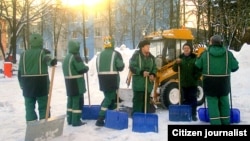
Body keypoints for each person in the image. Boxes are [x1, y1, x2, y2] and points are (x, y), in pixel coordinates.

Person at [195, 35, 239, 125]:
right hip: (224, 83)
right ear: (220, 43)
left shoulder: (205, 54)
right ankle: (226, 122)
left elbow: (197, 66)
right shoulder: (228, 54)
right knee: (224, 101)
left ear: (211, 42)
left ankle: (216, 123)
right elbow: (235, 67)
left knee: (212, 103)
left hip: (209, 82)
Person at [18, 33, 57, 123]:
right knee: (43, 105)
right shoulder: (42, 53)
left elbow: (20, 72)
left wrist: (21, 85)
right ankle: (44, 124)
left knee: (29, 106)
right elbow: (48, 59)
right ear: (41, 42)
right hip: (40, 83)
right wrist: (52, 61)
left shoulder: (23, 54)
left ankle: (31, 126)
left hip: (27, 84)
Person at [95, 36, 125, 126]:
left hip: (102, 79)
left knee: (109, 97)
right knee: (109, 98)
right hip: (111, 79)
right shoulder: (115, 54)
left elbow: (97, 67)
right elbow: (120, 67)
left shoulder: (99, 55)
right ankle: (100, 118)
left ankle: (110, 113)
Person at [62, 40, 89, 127]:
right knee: (76, 101)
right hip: (77, 82)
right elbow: (81, 68)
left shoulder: (66, 57)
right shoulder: (76, 57)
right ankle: (76, 120)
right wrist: (86, 67)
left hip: (68, 82)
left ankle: (69, 119)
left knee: (70, 100)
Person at [172, 43, 201, 121]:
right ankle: (185, 113)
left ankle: (193, 114)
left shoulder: (195, 58)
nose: (186, 49)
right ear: (183, 49)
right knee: (184, 99)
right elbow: (174, 69)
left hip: (192, 83)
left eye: (187, 48)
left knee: (193, 99)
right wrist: (176, 63)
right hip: (183, 83)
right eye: (184, 48)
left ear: (190, 49)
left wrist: (196, 77)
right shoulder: (180, 58)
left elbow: (199, 69)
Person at [129, 40, 157, 115]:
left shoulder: (152, 58)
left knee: (146, 103)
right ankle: (137, 118)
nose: (149, 48)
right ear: (142, 47)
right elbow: (132, 67)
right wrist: (141, 72)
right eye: (147, 46)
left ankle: (145, 118)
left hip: (148, 85)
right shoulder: (136, 56)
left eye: (149, 46)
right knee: (138, 102)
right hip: (139, 85)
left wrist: (153, 74)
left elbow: (154, 67)